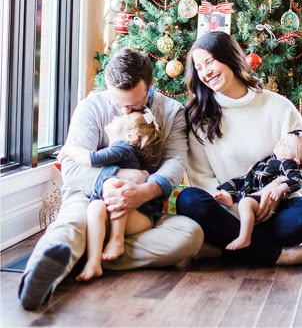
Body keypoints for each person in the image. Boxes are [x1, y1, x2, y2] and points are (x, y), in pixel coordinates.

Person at [18, 50, 202, 311]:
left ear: (151, 85)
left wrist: (145, 191)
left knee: (190, 235)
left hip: (141, 205)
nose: (124, 111)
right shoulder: (91, 106)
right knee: (73, 224)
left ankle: (85, 255)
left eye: (133, 106)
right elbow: (71, 165)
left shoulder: (172, 112)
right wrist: (111, 180)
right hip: (88, 196)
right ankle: (40, 273)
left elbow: (176, 162)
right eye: (118, 105)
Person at [176, 32, 302, 267]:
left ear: (230, 58)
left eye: (210, 62)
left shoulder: (278, 107)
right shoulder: (199, 118)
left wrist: (275, 196)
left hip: (274, 210)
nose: (205, 72)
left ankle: (226, 249)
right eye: (198, 67)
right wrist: (240, 208)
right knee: (189, 200)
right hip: (227, 211)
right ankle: (280, 256)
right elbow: (201, 179)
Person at [59, 111, 165, 281]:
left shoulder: (123, 147)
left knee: (112, 185)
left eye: (122, 118)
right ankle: (94, 262)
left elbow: (92, 159)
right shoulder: (120, 150)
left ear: (131, 136)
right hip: (128, 218)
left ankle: (117, 240)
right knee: (95, 206)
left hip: (138, 216)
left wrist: (69, 149)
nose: (116, 116)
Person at [214, 130, 302, 251]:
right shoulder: (273, 158)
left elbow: (297, 180)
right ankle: (229, 197)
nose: (280, 143)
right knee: (232, 183)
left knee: (245, 203)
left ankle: (244, 237)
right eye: (282, 140)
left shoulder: (287, 163)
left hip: (264, 197)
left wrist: (281, 189)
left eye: (285, 145)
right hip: (250, 183)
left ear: (296, 160)